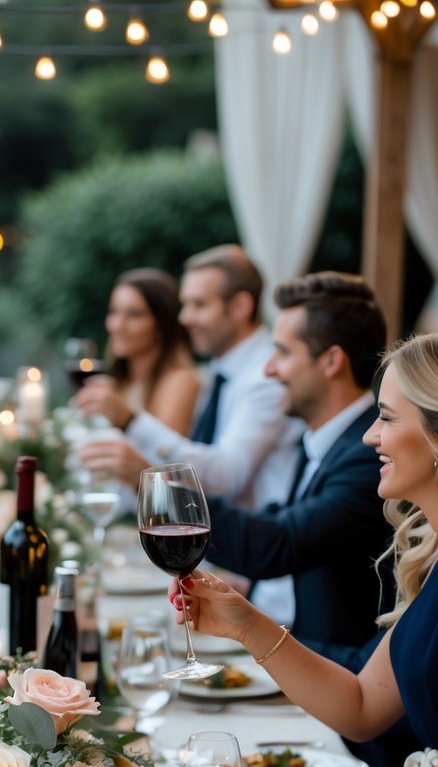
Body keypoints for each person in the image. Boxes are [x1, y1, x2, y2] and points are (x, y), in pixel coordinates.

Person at [168, 331, 438, 767]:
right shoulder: (432, 563)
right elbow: (361, 707)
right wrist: (248, 627)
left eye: (387, 418)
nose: (369, 436)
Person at [202, 272, 394, 654]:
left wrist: (175, 505)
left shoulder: (368, 455)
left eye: (283, 353)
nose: (269, 369)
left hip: (339, 676)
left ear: (331, 361)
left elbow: (281, 543)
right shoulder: (322, 442)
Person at [77, 245, 303, 510]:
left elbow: (228, 476)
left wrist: (131, 422)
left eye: (199, 305)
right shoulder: (220, 372)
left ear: (241, 306)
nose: (184, 318)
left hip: (250, 542)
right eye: (185, 305)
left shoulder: (267, 376)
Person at [74, 268, 199, 435]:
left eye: (134, 314)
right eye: (114, 312)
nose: (117, 325)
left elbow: (166, 454)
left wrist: (124, 417)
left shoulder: (180, 380)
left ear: (161, 324)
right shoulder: (120, 384)